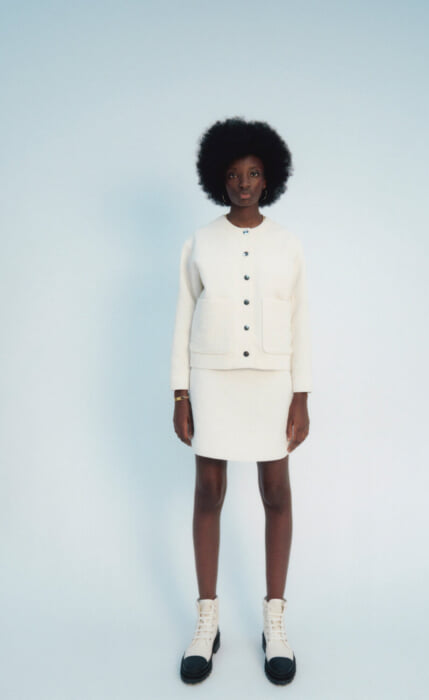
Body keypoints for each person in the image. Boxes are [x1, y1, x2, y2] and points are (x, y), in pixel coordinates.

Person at [170, 117, 312, 685]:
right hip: (212, 379)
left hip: (272, 382)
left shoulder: (288, 243)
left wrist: (301, 394)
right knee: (208, 491)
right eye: (233, 174)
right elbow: (183, 320)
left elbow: (302, 322)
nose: (244, 183)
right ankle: (207, 621)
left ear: (269, 178)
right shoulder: (201, 241)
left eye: (253, 173)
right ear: (219, 179)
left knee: (276, 492)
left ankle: (275, 622)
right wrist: (180, 392)